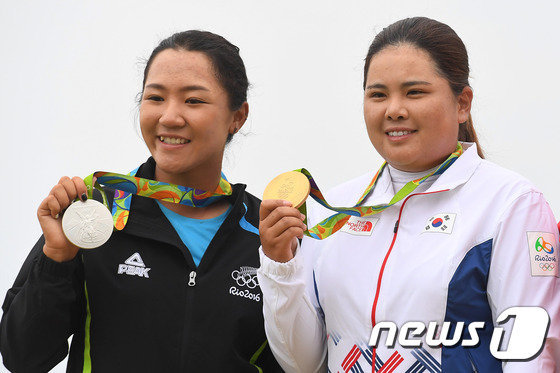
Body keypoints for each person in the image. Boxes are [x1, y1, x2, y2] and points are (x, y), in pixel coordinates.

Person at [257, 17, 560, 372]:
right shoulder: (337, 209)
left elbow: (531, 356)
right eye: (378, 94)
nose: (394, 109)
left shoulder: (511, 204)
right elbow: (303, 363)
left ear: (462, 103)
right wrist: (280, 264)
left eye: (414, 92)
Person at [1, 30, 281, 372]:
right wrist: (57, 258)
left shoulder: (267, 235)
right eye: (155, 98)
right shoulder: (96, 207)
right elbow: (22, 358)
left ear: (237, 116)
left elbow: (296, 360)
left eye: (193, 100)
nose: (169, 117)